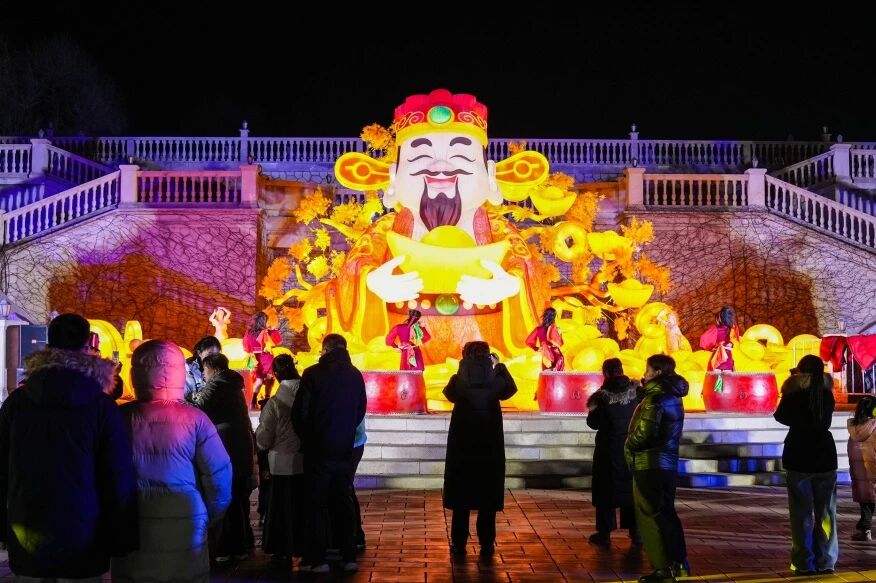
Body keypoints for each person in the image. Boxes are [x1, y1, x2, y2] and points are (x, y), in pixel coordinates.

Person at [329, 89, 553, 364]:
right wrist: (371, 282)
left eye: (462, 156)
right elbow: (354, 268)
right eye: (419, 157)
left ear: (490, 177)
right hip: (405, 337)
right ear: (393, 178)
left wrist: (511, 286)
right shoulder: (386, 231)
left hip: (483, 337)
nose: (440, 167)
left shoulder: (499, 232)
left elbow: (527, 269)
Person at [0, 313, 137, 582]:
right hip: (84, 532)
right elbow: (117, 474)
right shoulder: (101, 406)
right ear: (87, 346)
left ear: (48, 345)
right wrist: (121, 535)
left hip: (27, 529)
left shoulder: (18, 402)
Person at [112, 340, 233, 583]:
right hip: (185, 522)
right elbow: (219, 475)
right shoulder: (196, 418)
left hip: (133, 524)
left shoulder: (120, 417)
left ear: (136, 373)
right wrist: (208, 515)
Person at [292, 334, 367, 574]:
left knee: (316, 503)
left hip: (318, 448)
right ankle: (348, 555)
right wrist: (345, 432)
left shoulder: (313, 374)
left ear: (325, 350)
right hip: (344, 448)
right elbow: (360, 410)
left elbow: (300, 413)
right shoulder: (355, 375)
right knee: (342, 501)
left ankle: (317, 558)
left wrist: (309, 437)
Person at [443, 341, 518, 557]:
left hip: (463, 446)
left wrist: (462, 369)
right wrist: (500, 366)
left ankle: (459, 544)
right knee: (487, 497)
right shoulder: (496, 379)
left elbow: (449, 394)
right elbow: (511, 389)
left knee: (461, 498)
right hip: (489, 446)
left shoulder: (459, 380)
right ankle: (486, 543)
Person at [625, 354, 689, 583]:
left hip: (649, 463)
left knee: (650, 516)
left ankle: (663, 568)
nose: (645, 373)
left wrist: (629, 443)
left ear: (658, 372)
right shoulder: (673, 396)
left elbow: (645, 434)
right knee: (667, 513)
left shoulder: (656, 399)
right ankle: (679, 563)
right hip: (667, 462)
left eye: (648, 369)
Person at [775, 354, 838, 576]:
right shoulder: (826, 393)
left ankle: (803, 562)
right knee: (826, 513)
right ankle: (826, 560)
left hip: (799, 454)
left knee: (801, 513)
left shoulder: (794, 393)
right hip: (824, 455)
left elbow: (780, 416)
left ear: (800, 371)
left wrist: (791, 387)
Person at [192, 353, 254, 562]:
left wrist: (188, 397)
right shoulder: (232, 384)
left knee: (228, 497)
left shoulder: (218, 384)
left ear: (214, 369)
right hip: (239, 446)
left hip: (228, 446)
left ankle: (231, 548)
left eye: (205, 370)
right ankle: (243, 543)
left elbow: (200, 408)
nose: (203, 374)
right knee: (238, 498)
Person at [586, 358, 641, 547]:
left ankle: (605, 533)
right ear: (621, 370)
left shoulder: (601, 398)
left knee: (605, 490)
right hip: (631, 447)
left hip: (608, 450)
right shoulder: (637, 392)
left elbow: (593, 423)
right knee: (630, 490)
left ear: (605, 373)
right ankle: (636, 533)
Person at [256, 354, 304, 563]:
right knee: (302, 506)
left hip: (281, 463)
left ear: (275, 374)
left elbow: (264, 438)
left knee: (281, 509)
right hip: (306, 460)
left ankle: (282, 548)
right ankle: (304, 545)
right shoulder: (308, 397)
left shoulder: (275, 403)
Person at [847, 396, 876, 542]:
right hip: (873, 470)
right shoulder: (874, 427)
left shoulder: (854, 428)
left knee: (865, 501)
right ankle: (865, 527)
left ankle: (865, 529)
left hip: (860, 473)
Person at [243, 311, 282, 408]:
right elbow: (278, 342)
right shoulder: (266, 332)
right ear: (263, 321)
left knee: (259, 379)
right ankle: (267, 399)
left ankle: (253, 401)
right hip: (267, 358)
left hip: (257, 359)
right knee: (269, 379)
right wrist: (274, 330)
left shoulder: (249, 332)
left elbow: (247, 347)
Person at [699, 306, 740, 371]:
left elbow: (704, 339)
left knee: (716, 376)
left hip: (718, 359)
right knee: (728, 376)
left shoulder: (716, 329)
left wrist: (712, 347)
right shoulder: (733, 328)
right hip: (728, 360)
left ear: (719, 319)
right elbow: (735, 340)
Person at [184, 335, 222, 403]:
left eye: (216, 355)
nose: (213, 359)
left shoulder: (220, 368)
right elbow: (185, 395)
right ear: (199, 353)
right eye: (209, 355)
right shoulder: (187, 368)